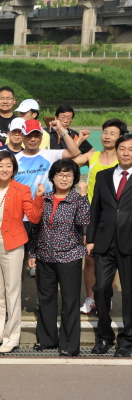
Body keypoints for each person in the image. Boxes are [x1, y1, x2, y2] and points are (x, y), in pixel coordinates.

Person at [0, 152, 44, 353]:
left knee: (12, 290)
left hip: (14, 243)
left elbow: (33, 218)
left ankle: (12, 337)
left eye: (8, 165)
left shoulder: (22, 189)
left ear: (14, 168)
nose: (4, 169)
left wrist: (39, 198)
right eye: (0, 166)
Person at [29, 160, 89, 357]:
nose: (64, 178)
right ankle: (47, 340)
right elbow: (36, 226)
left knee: (70, 301)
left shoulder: (77, 199)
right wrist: (33, 253)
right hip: (45, 256)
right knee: (45, 299)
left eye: (69, 175)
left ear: (74, 179)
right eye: (60, 174)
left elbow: (83, 222)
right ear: (53, 177)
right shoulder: (44, 197)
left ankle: (69, 345)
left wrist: (84, 196)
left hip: (69, 256)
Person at [14, 118, 82, 278]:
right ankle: (17, 296)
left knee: (42, 261)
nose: (32, 139)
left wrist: (60, 129)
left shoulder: (50, 155)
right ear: (22, 136)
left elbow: (74, 152)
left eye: (36, 135)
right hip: (22, 216)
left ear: (41, 136)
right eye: (28, 135)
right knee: (21, 260)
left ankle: (41, 300)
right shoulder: (14, 160)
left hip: (45, 214)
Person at [75, 119, 126, 314]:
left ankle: (106, 298)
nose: (107, 136)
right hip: (91, 214)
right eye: (105, 132)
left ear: (120, 137)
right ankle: (90, 298)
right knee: (89, 259)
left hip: (113, 216)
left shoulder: (123, 160)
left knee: (110, 258)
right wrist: (78, 141)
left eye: (112, 133)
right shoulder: (93, 155)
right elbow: (68, 164)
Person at [87, 134, 132, 357]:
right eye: (122, 148)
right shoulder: (104, 176)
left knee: (130, 294)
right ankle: (105, 337)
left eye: (130, 149)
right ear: (116, 151)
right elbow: (95, 210)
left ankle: (127, 341)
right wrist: (90, 238)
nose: (126, 152)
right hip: (104, 242)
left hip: (130, 242)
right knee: (102, 289)